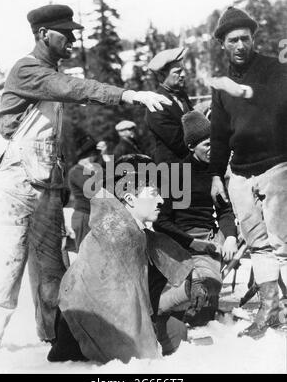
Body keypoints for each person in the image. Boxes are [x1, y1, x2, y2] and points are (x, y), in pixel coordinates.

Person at [0, 4, 172, 353]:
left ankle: (56, 339)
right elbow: (73, 87)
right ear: (43, 34)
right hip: (12, 181)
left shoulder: (49, 74)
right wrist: (127, 94)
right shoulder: (29, 70)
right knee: (7, 262)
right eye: (65, 33)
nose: (73, 39)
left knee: (52, 265)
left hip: (44, 180)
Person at [47, 154, 222, 363]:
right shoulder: (116, 236)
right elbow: (118, 306)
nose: (162, 199)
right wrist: (148, 350)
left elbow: (148, 290)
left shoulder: (136, 232)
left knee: (177, 332)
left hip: (122, 313)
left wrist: (189, 286)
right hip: (82, 331)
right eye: (154, 192)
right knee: (162, 341)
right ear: (129, 197)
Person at [208, 6, 287, 338]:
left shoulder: (275, 71)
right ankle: (270, 311)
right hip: (239, 175)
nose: (240, 45)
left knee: (282, 243)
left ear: (253, 39)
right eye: (232, 40)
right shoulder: (222, 84)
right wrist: (215, 175)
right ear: (223, 45)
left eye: (245, 38)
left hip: (276, 166)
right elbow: (219, 133)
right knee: (258, 245)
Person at [154, 110, 237, 320]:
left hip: (209, 239)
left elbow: (224, 211)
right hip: (181, 242)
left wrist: (230, 237)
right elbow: (161, 222)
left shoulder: (215, 173)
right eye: (206, 145)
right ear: (191, 147)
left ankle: (197, 290)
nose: (213, 149)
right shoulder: (175, 173)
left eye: (215, 144)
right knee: (202, 290)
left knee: (205, 304)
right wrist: (192, 242)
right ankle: (159, 307)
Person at [145, 47, 193, 164]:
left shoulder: (181, 95)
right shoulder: (156, 104)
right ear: (161, 75)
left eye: (183, 70)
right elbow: (178, 143)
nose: (183, 75)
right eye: (177, 72)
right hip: (172, 170)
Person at [68, 133, 106, 252]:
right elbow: (93, 190)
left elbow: (113, 177)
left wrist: (105, 156)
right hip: (84, 216)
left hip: (94, 216)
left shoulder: (95, 170)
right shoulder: (76, 171)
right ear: (90, 155)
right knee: (86, 256)